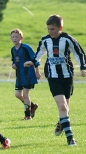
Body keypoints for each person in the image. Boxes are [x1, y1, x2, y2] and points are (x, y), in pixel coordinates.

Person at [24, 14, 86, 146]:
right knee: (62, 106)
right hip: (53, 77)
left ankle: (62, 122)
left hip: (67, 76)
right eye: (48, 29)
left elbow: (78, 52)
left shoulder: (68, 39)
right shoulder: (45, 40)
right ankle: (70, 139)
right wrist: (33, 62)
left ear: (60, 28)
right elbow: (39, 53)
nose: (50, 32)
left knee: (65, 108)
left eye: (52, 29)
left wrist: (83, 67)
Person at [10, 28, 39, 120]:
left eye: (16, 37)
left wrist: (37, 71)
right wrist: (13, 65)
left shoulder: (26, 47)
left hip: (28, 74)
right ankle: (32, 106)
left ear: (21, 37)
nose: (14, 39)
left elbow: (35, 59)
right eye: (13, 37)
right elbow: (14, 61)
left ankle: (27, 115)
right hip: (19, 75)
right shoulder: (13, 49)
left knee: (25, 95)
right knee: (18, 94)